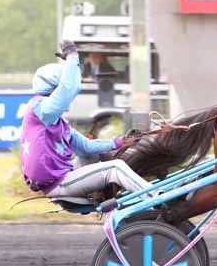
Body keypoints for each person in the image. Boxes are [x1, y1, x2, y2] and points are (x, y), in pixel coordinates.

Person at [19, 40, 152, 199]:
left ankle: (115, 197)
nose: (68, 101)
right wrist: (72, 57)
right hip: (58, 183)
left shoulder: (57, 121)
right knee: (115, 168)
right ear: (53, 89)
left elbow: (86, 147)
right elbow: (70, 88)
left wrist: (121, 142)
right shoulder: (40, 108)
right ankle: (157, 196)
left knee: (92, 154)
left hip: (64, 176)